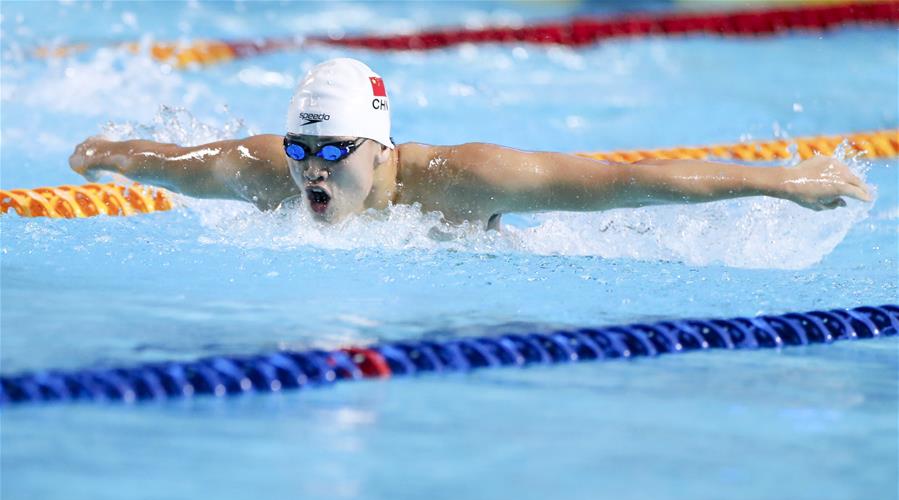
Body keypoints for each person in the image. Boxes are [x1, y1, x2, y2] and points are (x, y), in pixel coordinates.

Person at [69, 58, 871, 230]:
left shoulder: (466, 180)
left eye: (333, 152)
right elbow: (168, 161)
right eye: (300, 151)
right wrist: (102, 152)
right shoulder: (264, 171)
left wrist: (780, 179)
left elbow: (627, 181)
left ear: (381, 150)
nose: (309, 170)